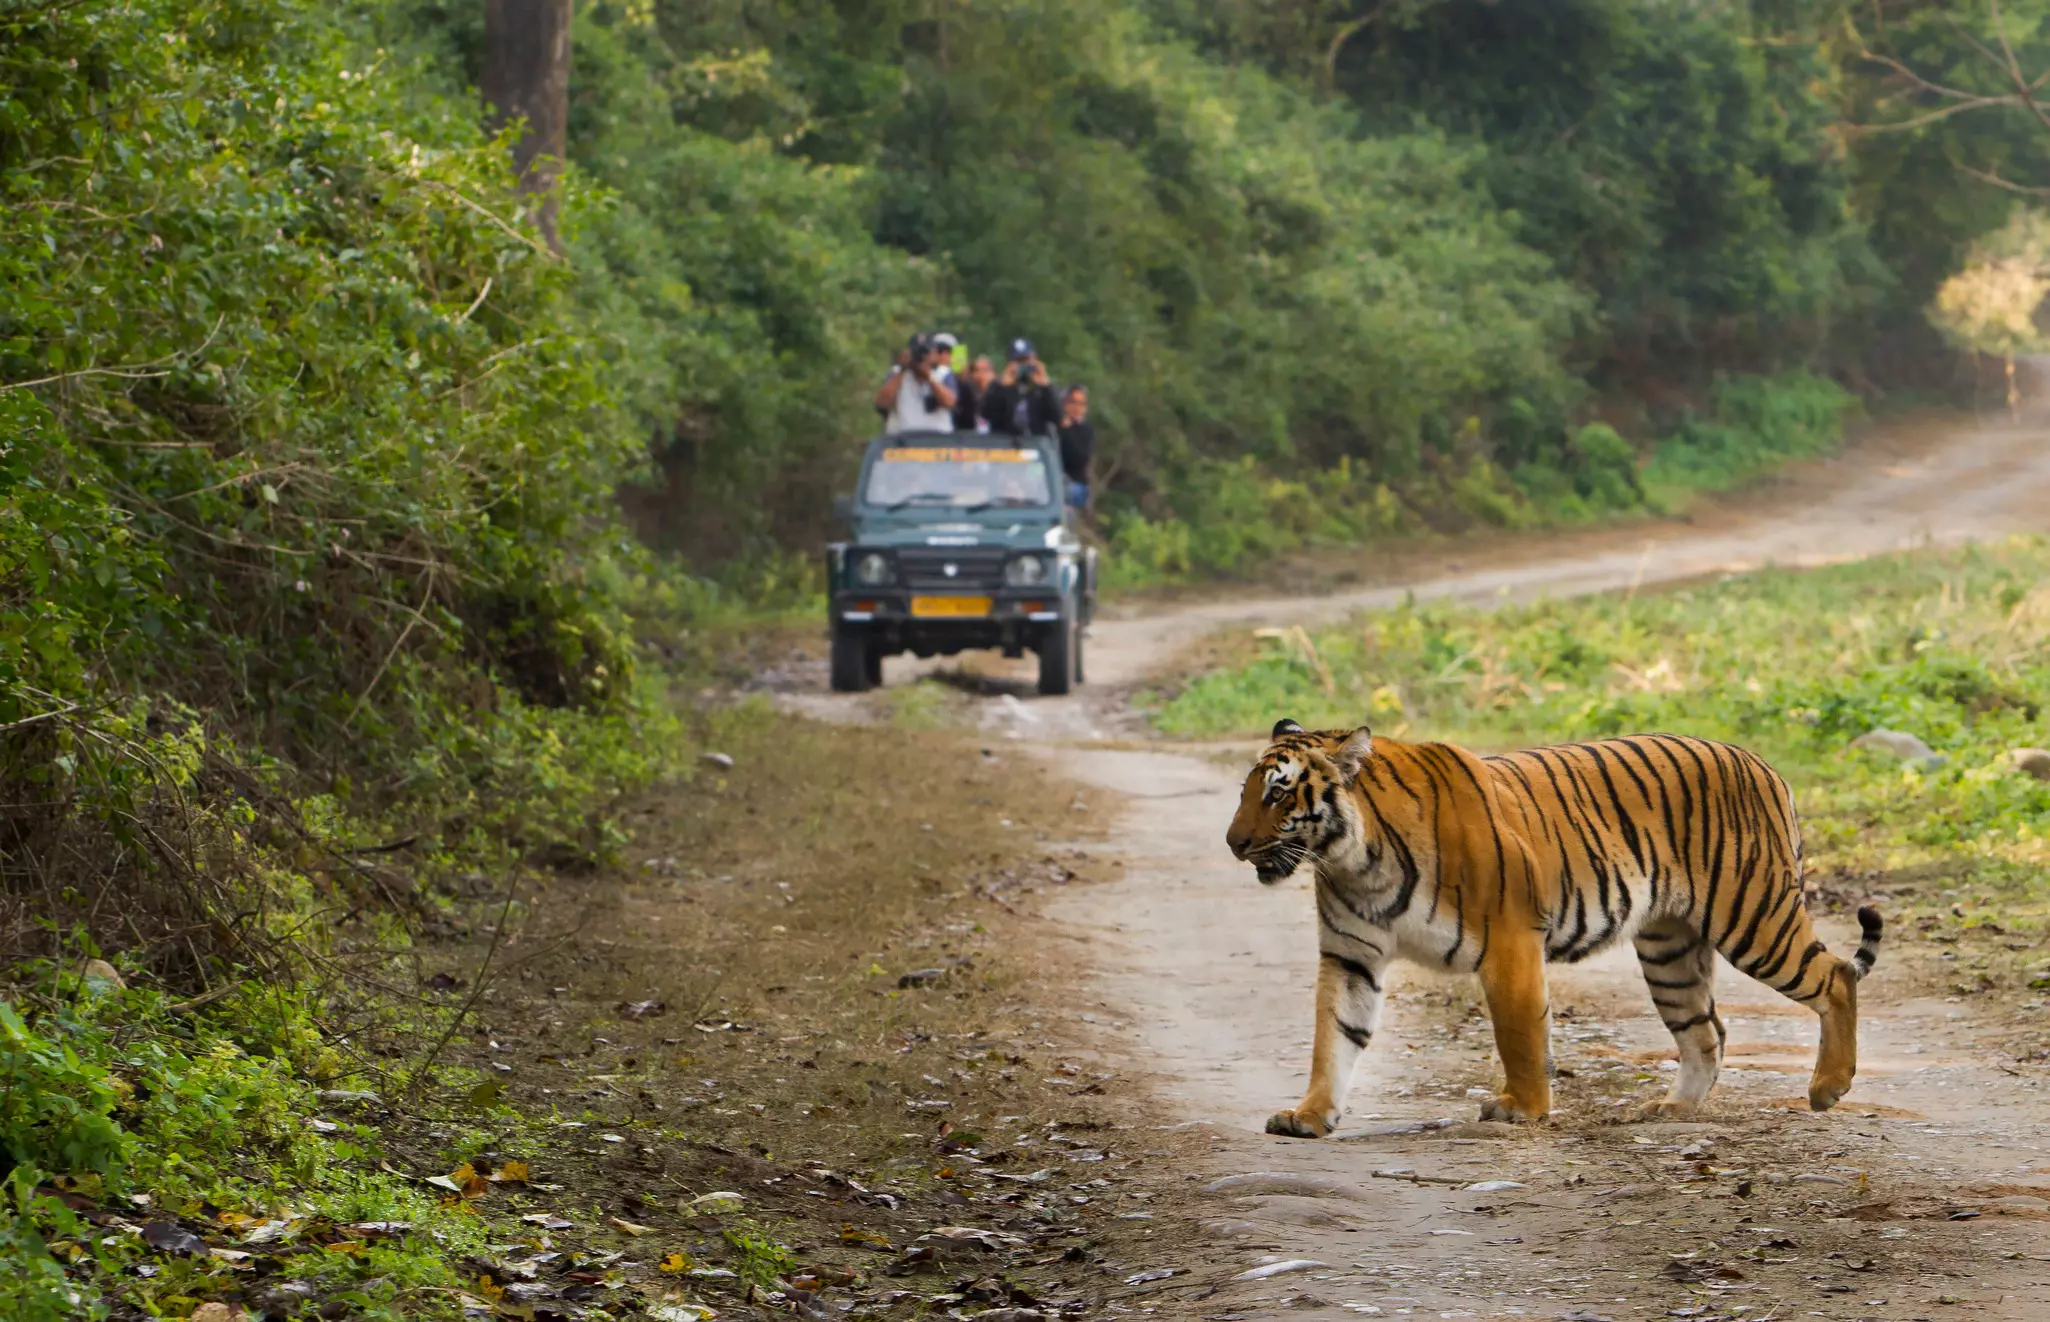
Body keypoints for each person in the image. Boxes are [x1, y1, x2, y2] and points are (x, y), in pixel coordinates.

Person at [874, 332, 956, 435]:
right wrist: (903, 369)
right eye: (918, 352)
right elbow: (881, 403)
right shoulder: (896, 373)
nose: (922, 357)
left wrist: (929, 376)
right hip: (902, 440)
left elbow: (949, 402)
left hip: (937, 440)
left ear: (934, 354)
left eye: (926, 352)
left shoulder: (942, 374)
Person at [980, 338, 1058, 436]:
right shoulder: (997, 386)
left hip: (1036, 442)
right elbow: (986, 415)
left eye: (1026, 360)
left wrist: (1046, 387)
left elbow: (1058, 417)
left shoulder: (1042, 387)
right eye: (1018, 361)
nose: (1023, 365)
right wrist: (1003, 388)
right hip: (1006, 444)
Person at [1057, 384, 1094, 510]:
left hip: (1075, 484)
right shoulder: (1055, 427)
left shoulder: (1085, 430)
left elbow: (1079, 458)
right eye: (1073, 402)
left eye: (1081, 404)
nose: (1076, 408)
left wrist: (1066, 431)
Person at [953, 355, 996, 434]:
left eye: (985, 370)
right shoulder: (967, 396)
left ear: (993, 374)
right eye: (976, 370)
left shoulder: (999, 395)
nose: (980, 374)